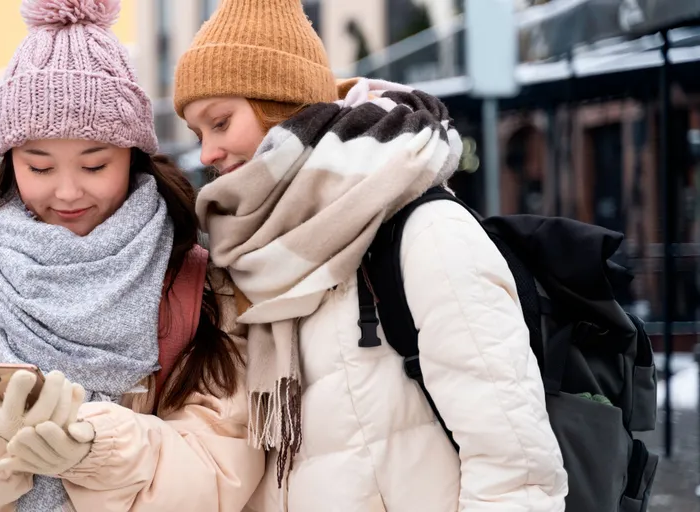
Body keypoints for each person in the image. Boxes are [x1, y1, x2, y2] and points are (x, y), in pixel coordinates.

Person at [0, 1, 264, 510]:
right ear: (8, 161)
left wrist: (98, 450)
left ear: (133, 157)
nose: (67, 192)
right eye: (39, 167)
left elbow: (225, 472)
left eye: (94, 164)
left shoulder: (197, 280)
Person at [174, 0, 569, 511]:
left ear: (277, 101)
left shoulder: (423, 232)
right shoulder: (243, 258)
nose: (206, 153)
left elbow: (515, 469)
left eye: (220, 122)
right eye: (197, 133)